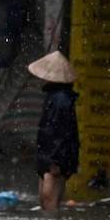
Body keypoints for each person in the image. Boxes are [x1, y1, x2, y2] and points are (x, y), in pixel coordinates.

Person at [29, 50, 78, 210]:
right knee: (47, 201)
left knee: (49, 202)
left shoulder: (60, 100)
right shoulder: (56, 97)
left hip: (55, 157)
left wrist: (54, 161)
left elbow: (61, 132)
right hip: (52, 156)